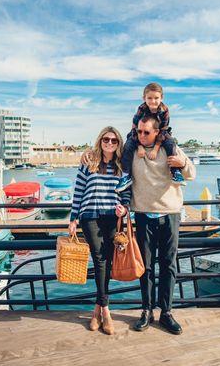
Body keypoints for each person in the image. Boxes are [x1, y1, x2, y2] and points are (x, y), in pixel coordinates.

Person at [121, 115, 196, 335]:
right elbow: (108, 159)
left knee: (168, 265)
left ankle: (166, 312)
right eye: (139, 132)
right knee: (145, 267)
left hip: (170, 214)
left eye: (146, 132)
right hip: (143, 215)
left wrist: (182, 164)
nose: (141, 136)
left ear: (157, 133)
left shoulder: (170, 149)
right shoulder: (132, 150)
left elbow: (192, 174)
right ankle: (146, 310)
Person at [69, 126, 130, 335]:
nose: (110, 143)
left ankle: (96, 311)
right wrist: (73, 218)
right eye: (106, 139)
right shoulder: (89, 162)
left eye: (114, 140)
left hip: (112, 217)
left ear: (118, 143)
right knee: (99, 258)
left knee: (107, 260)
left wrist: (125, 208)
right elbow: (78, 191)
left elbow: (126, 193)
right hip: (90, 215)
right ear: (100, 140)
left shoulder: (122, 166)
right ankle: (107, 311)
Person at [116, 82, 185, 192]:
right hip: (137, 134)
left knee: (170, 142)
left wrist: (156, 148)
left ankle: (175, 171)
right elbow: (135, 129)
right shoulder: (141, 109)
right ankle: (126, 176)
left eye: (156, 98)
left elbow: (163, 130)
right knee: (128, 145)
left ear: (161, 97)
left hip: (161, 134)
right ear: (144, 98)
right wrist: (139, 146)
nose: (153, 101)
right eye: (149, 98)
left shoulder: (165, 110)